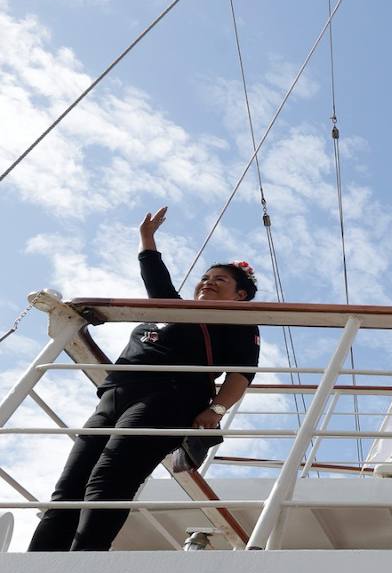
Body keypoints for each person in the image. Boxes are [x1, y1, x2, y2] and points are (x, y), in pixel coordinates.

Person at [29, 206, 261, 552]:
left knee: (109, 480)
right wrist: (147, 238)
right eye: (206, 277)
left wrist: (216, 409)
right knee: (68, 488)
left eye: (220, 280)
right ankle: (35, 565)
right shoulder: (171, 306)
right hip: (115, 395)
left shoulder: (239, 323)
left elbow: (241, 374)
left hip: (169, 398)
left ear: (239, 295)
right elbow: (156, 278)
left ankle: (79, 563)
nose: (208, 282)